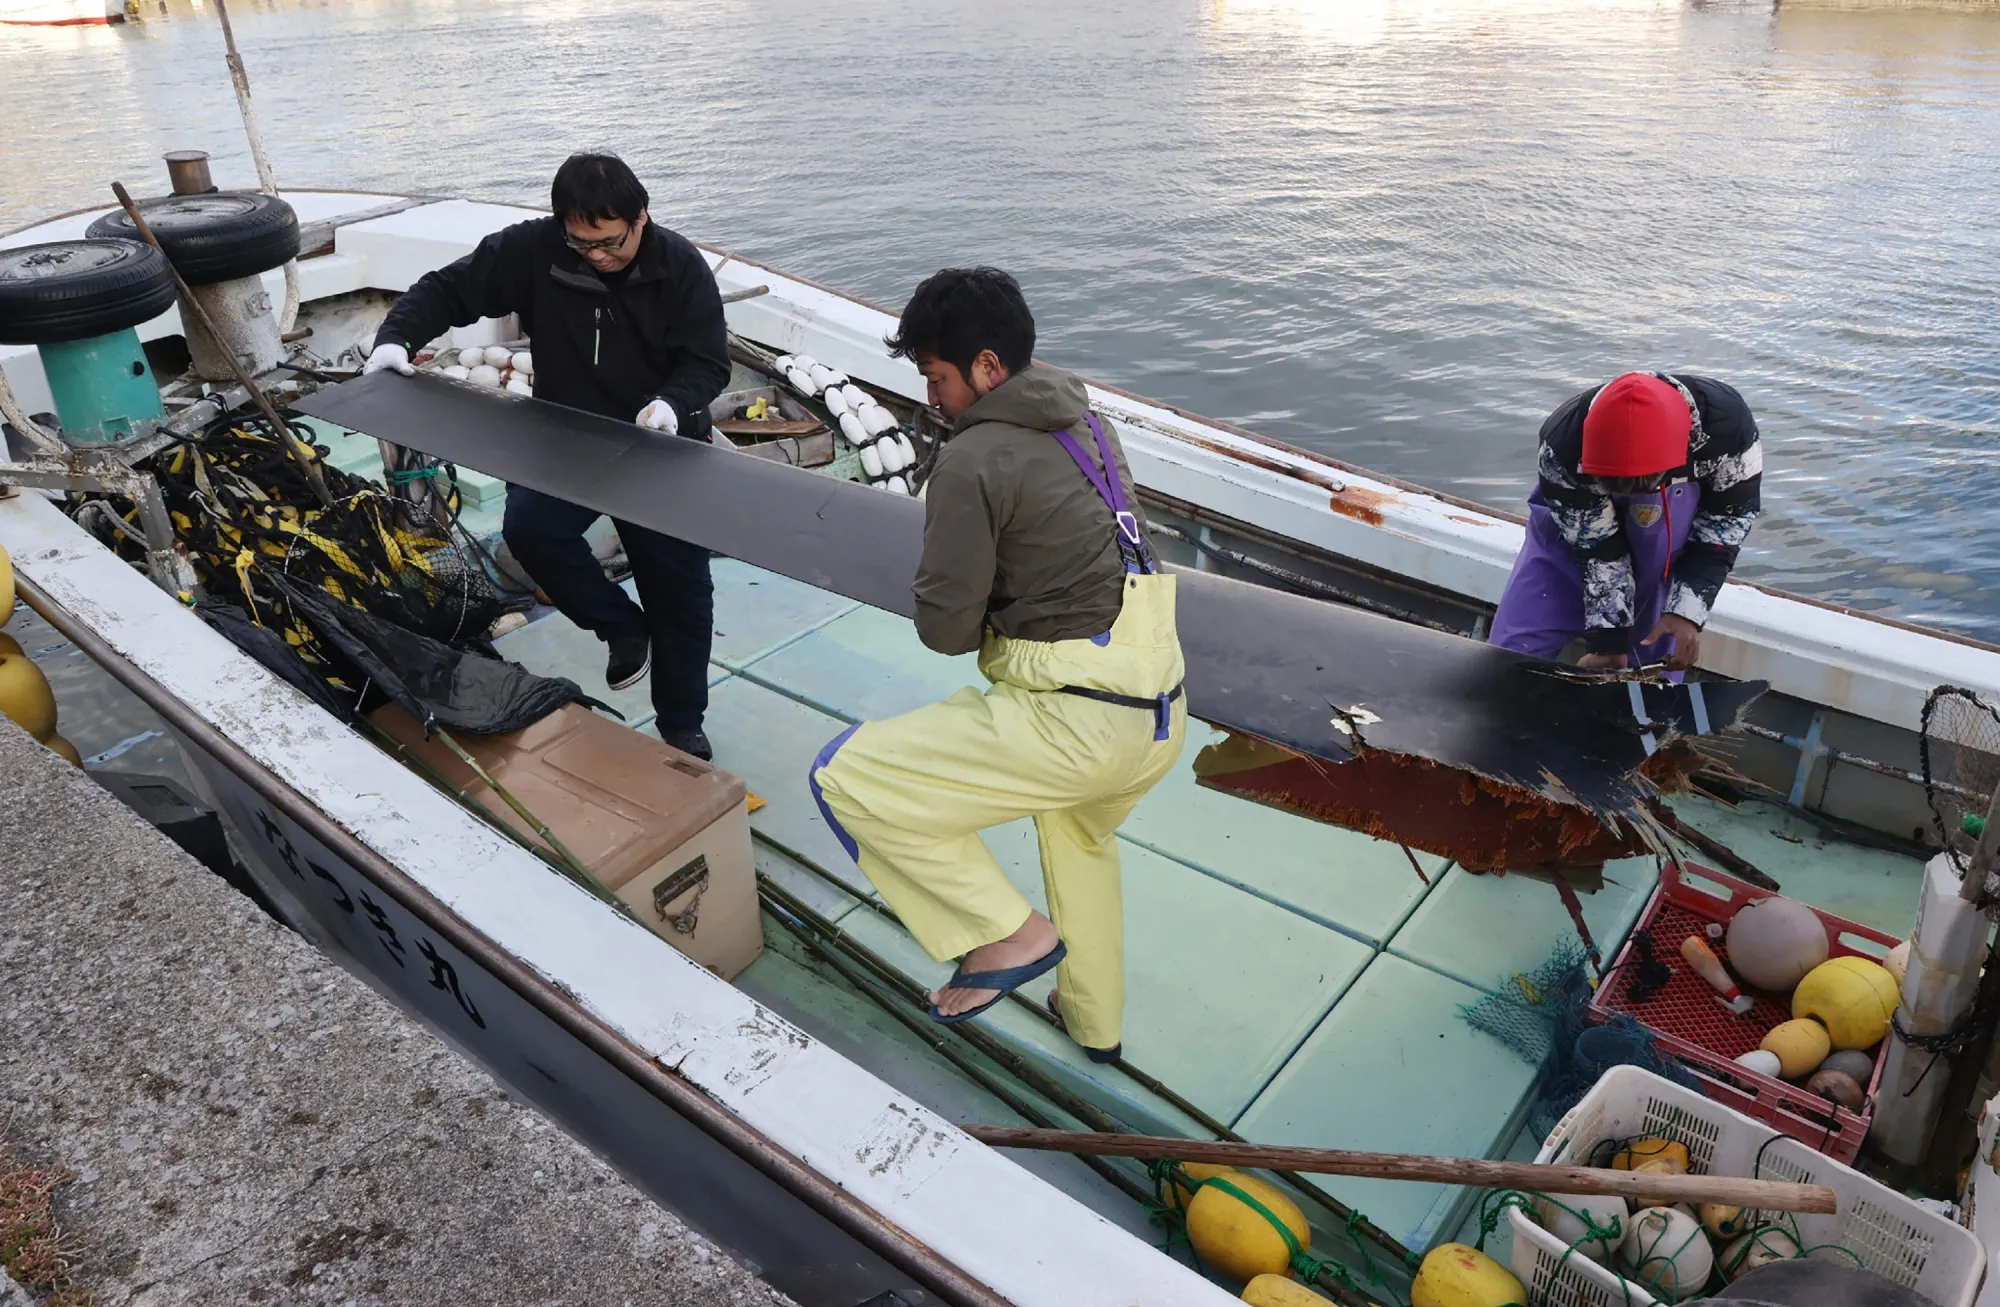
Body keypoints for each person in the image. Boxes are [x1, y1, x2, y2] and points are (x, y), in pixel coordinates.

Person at [808, 268, 1186, 1062]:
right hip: (1157, 710)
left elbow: (943, 630)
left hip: (1075, 720)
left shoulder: (972, 461)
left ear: (986, 368)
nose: (932, 398)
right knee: (1076, 832)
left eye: (937, 378)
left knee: (846, 777)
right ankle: (1095, 1022)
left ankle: (1006, 937)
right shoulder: (1090, 425)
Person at [362, 153, 730, 759]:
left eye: (611, 242)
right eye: (582, 243)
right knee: (531, 532)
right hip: (569, 436)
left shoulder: (680, 267)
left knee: (682, 593)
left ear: (642, 218)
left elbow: (708, 361)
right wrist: (396, 339)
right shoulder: (534, 251)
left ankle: (681, 724)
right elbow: (448, 289)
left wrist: (673, 402)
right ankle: (619, 625)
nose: (598, 255)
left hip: (662, 443)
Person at [1488, 371, 1762, 674]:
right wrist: (1609, 642)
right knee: (1507, 658)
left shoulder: (1730, 427)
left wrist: (1687, 610)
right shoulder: (1561, 446)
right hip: (1572, 532)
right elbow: (1597, 547)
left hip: (1664, 534)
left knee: (1654, 667)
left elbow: (1726, 521)